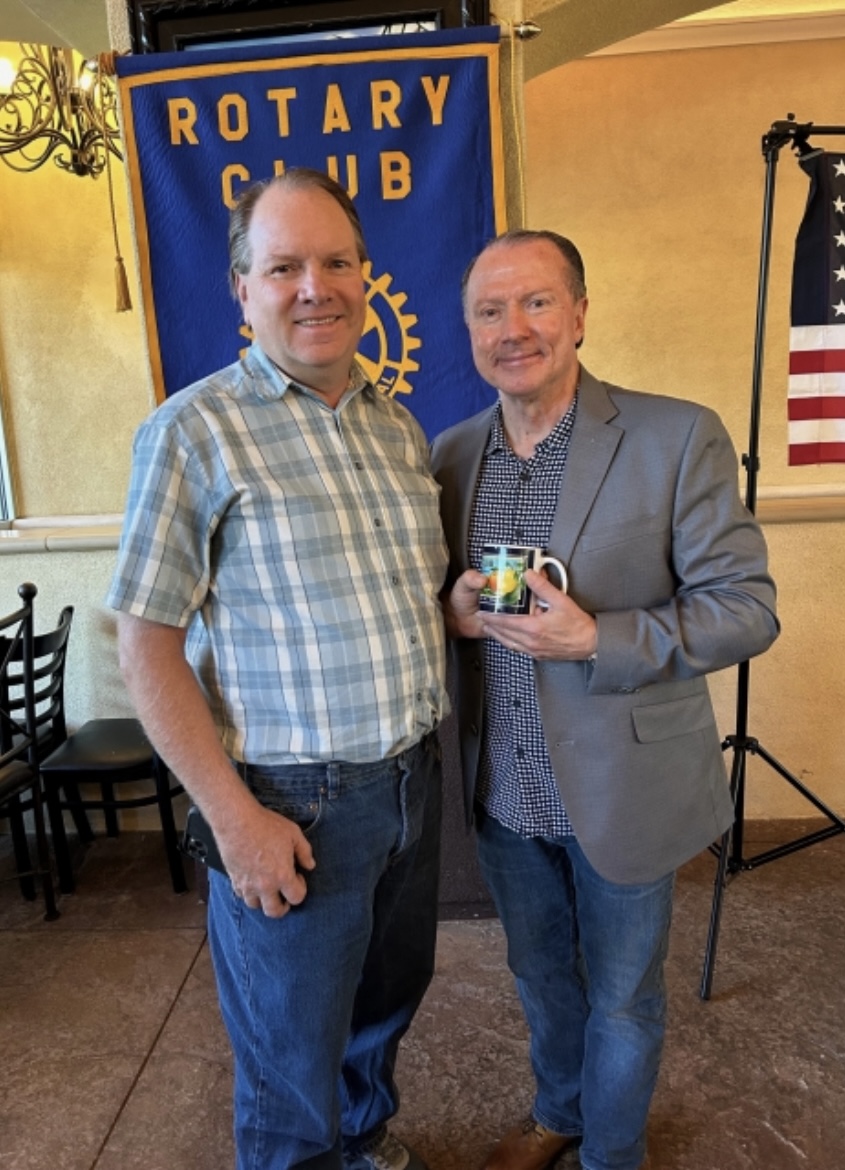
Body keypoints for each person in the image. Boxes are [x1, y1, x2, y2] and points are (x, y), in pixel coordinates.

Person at [107, 168, 449, 1170]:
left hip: (407, 786)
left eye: (336, 261)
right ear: (241, 289)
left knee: (379, 1019)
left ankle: (361, 1155)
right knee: (288, 1066)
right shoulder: (192, 431)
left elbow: (398, 599)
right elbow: (147, 645)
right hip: (291, 805)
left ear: (365, 277)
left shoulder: (396, 428)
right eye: (285, 265)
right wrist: (232, 816)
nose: (316, 286)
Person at [430, 229, 780, 1170]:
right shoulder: (450, 455)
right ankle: (560, 1112)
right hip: (504, 792)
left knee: (623, 997)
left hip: (626, 790)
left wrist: (599, 638)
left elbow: (746, 611)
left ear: (580, 313)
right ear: (467, 329)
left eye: (536, 302)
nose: (515, 328)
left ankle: (607, 1157)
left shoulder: (676, 434)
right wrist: (453, 617)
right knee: (542, 977)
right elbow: (441, 602)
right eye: (489, 310)